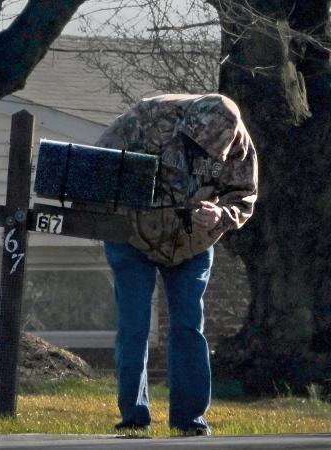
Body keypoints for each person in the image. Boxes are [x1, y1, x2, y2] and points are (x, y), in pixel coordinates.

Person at [96, 94, 258, 436]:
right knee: (134, 326)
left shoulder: (240, 145)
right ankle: (134, 419)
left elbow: (243, 197)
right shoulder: (148, 116)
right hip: (133, 235)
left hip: (192, 243)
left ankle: (190, 420)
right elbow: (99, 164)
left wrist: (220, 215)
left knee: (187, 327)